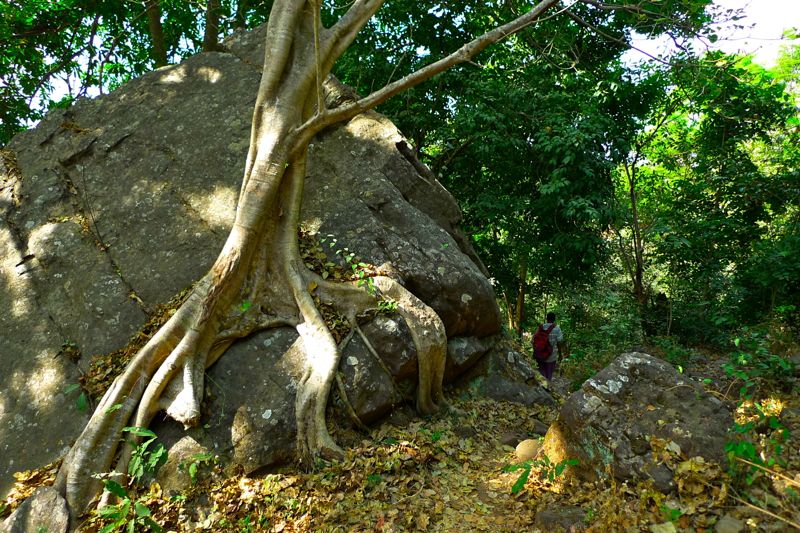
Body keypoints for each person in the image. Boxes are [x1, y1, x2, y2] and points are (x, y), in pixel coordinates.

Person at [535, 312, 564, 384]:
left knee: (541, 372)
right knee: (549, 373)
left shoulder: (541, 327)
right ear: (554, 319)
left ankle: (542, 385)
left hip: (540, 355)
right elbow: (559, 342)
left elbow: (534, 340)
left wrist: (536, 352)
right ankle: (547, 386)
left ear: (546, 318)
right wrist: (560, 354)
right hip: (551, 356)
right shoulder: (557, 328)